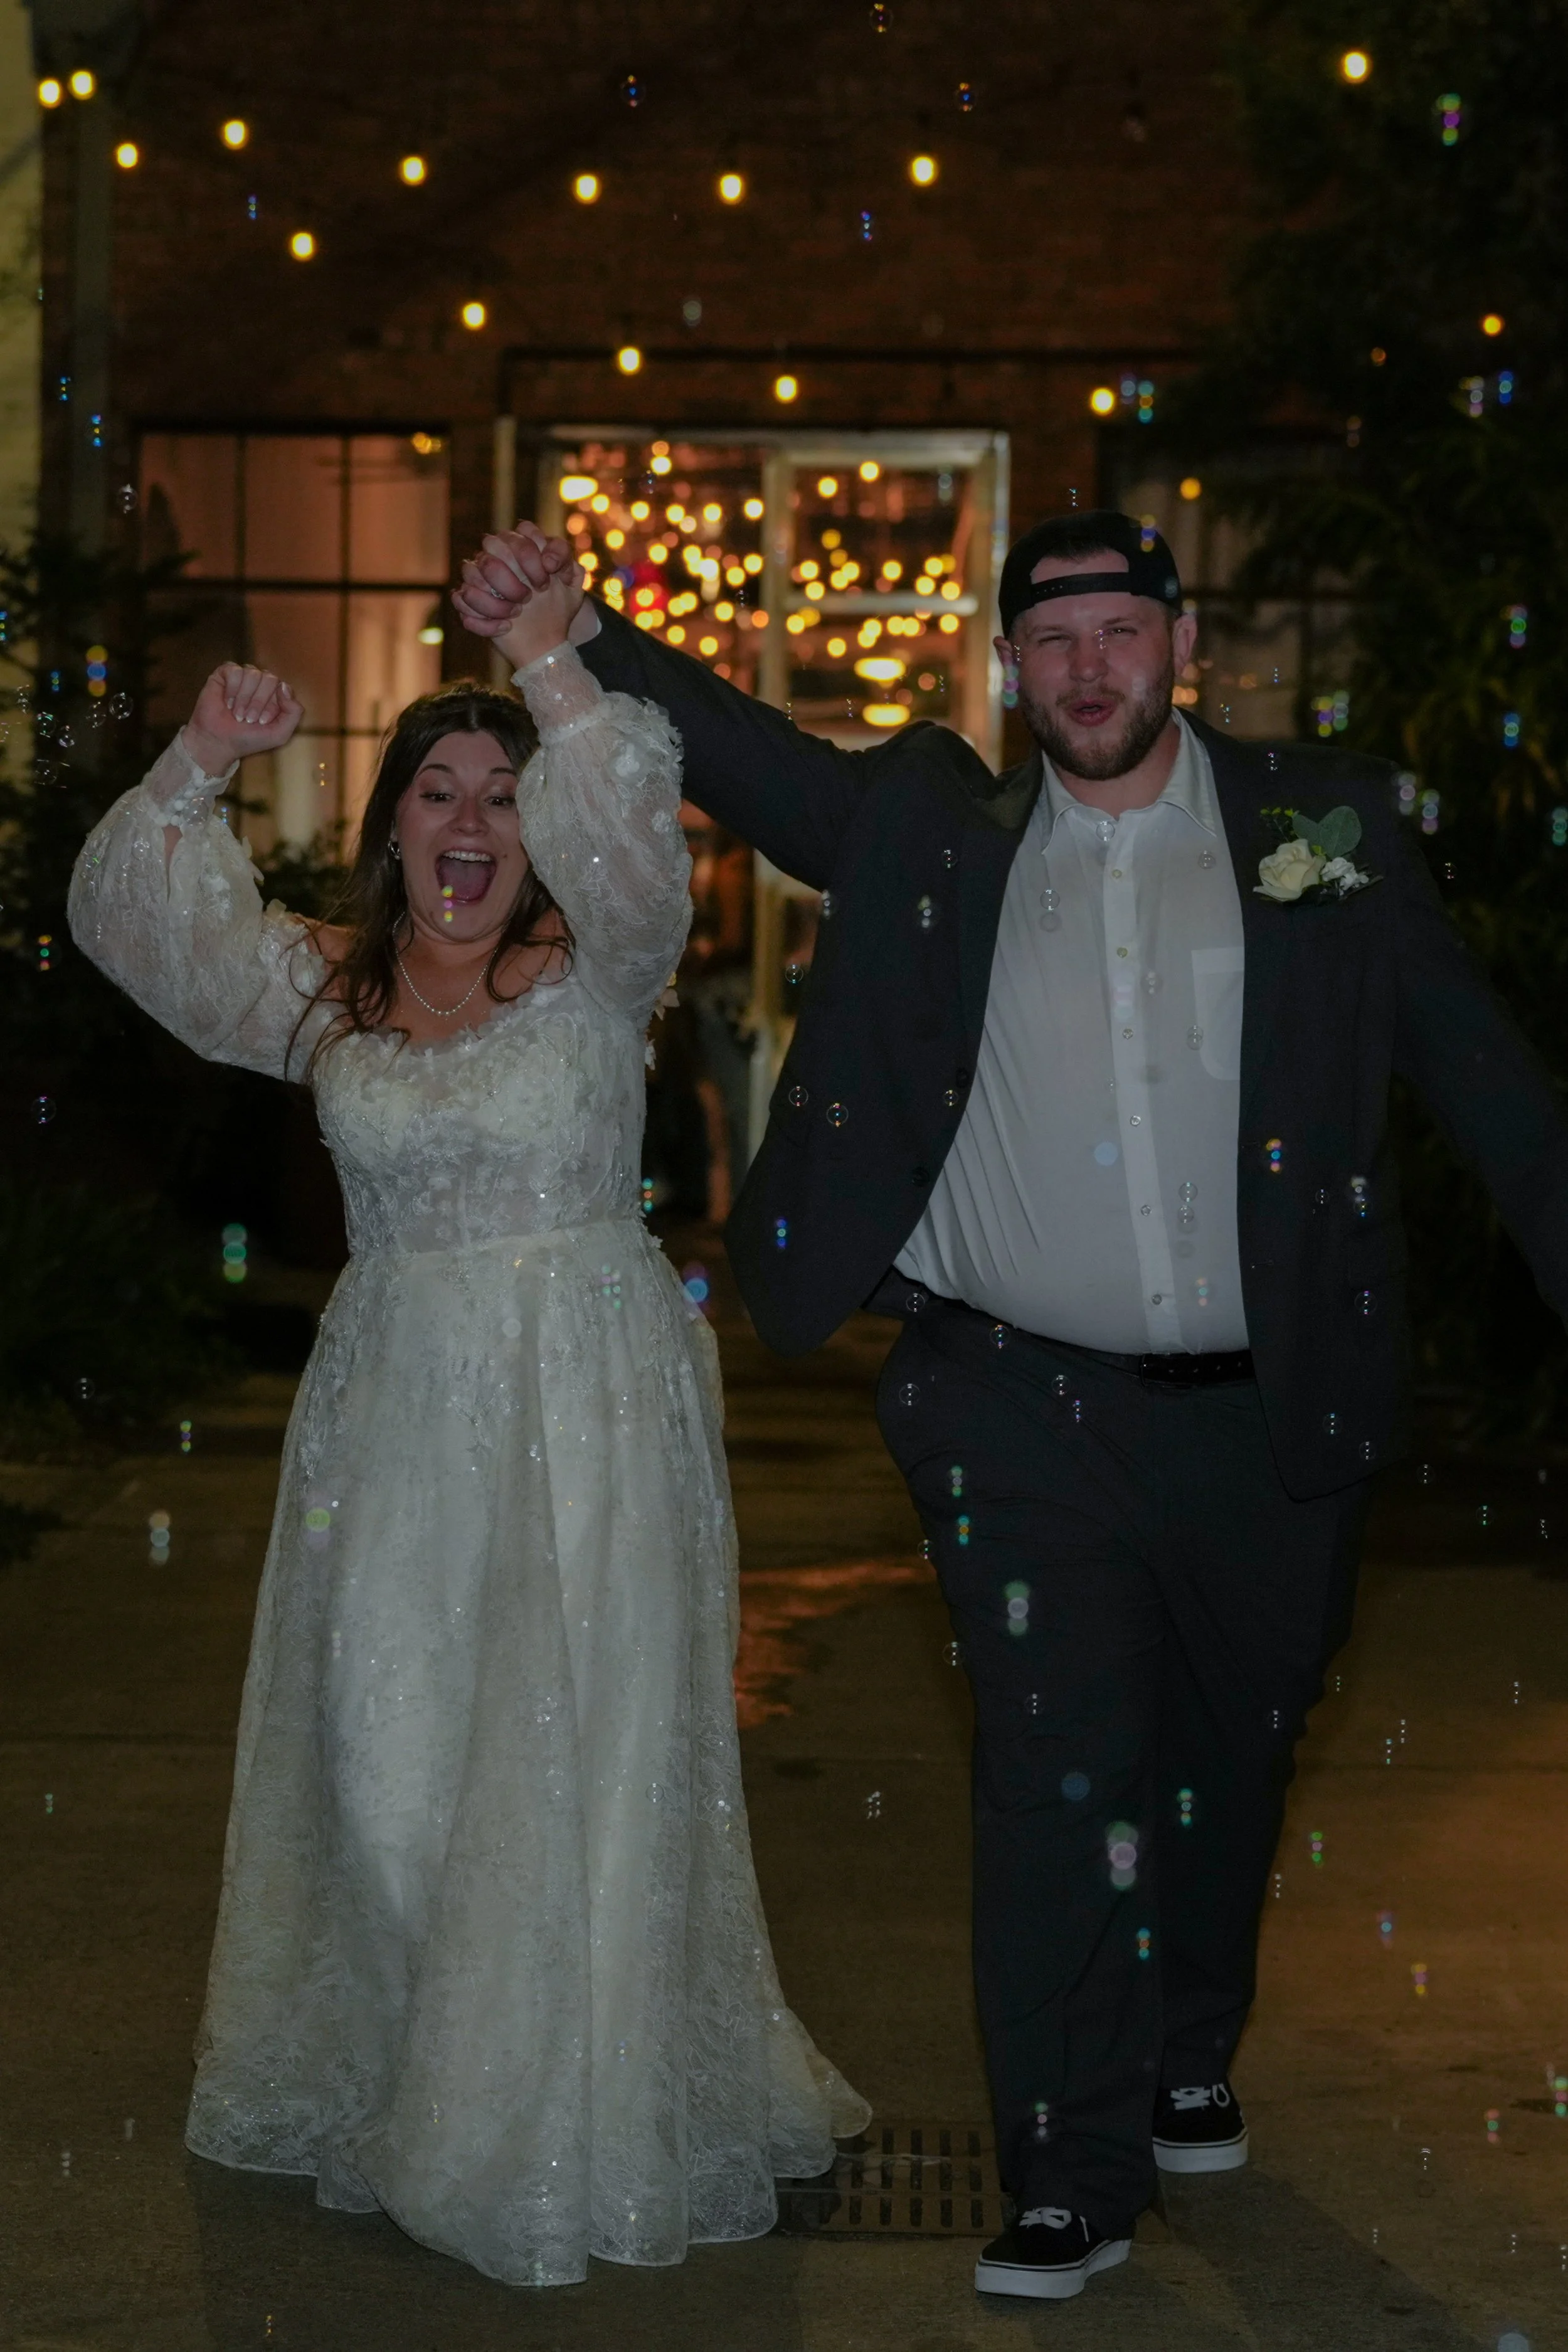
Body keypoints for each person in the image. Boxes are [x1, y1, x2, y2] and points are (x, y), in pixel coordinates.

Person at [455, 509, 1568, 2303]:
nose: (1086, 668)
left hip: (1270, 1413)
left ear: (1177, 641)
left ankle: (1187, 2035)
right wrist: (566, 640)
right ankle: (1065, 2158)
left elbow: (1491, 1089)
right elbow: (745, 757)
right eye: (1050, 641)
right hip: (1013, 1410)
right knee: (1058, 1781)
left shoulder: (1320, 827)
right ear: (1007, 666)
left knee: (1226, 1763)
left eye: (1118, 630)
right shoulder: (931, 830)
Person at [66, 566, 866, 2289]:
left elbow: (642, 837)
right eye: (435, 788)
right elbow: (137, 929)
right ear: (387, 823)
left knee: (579, 1760)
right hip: (389, 1428)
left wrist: (547, 666)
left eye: (503, 796)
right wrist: (199, 758)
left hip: (585, 1409)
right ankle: (445, 2053)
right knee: (389, 1760)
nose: (469, 820)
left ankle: (550, 2109)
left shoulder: (602, 963)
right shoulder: (327, 989)